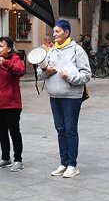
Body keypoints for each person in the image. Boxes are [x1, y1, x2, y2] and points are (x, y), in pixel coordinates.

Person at [37, 19, 92, 178]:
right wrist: (46, 72)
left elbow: (86, 75)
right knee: (60, 130)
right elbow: (41, 73)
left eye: (57, 31)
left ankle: (72, 165)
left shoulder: (77, 50)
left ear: (66, 33)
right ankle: (63, 162)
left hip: (71, 97)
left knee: (70, 129)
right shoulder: (51, 51)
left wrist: (70, 78)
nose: (54, 35)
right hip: (54, 95)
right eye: (54, 31)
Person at [0, 36, 26, 172]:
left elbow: (20, 71)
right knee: (1, 132)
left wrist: (5, 63)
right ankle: (5, 157)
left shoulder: (15, 59)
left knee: (14, 132)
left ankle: (18, 159)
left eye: (1, 46)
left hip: (12, 103)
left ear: (9, 48)